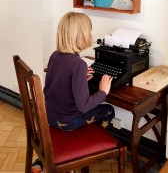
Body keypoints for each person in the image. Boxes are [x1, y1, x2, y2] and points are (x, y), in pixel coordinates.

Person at [31, 11, 115, 173]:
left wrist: (80, 81)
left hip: (51, 117)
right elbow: (83, 106)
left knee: (92, 111)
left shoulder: (55, 56)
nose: (91, 34)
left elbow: (57, 85)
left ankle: (44, 159)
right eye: (89, 31)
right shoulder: (78, 64)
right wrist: (103, 92)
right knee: (109, 110)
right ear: (81, 36)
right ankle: (77, 153)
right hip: (69, 123)